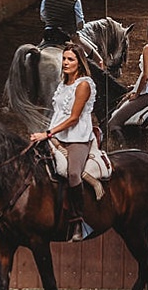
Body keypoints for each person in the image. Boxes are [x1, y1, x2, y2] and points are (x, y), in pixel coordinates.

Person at [28, 41, 97, 241]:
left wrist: (47, 133)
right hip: (56, 134)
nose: (65, 63)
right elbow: (58, 113)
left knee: (73, 173)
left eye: (70, 59)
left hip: (77, 138)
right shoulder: (63, 84)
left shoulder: (83, 85)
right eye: (64, 59)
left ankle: (78, 221)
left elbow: (73, 118)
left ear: (80, 62)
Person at [39, 0, 104, 66]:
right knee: (97, 60)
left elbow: (42, 16)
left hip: (48, 33)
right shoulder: (75, 0)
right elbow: (80, 24)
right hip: (68, 35)